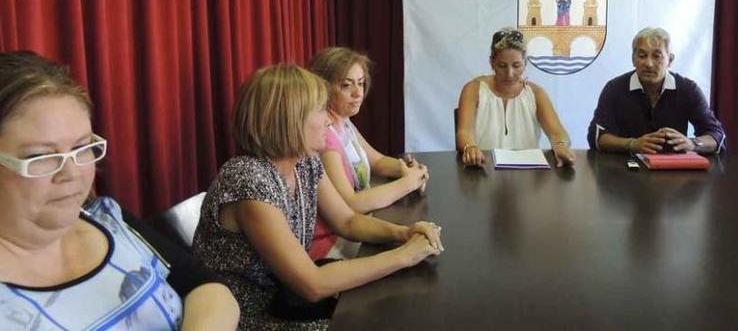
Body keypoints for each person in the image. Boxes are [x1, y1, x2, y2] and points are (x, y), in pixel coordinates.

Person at [192, 63, 443, 330]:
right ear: (289, 119)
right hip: (251, 315)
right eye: (320, 110)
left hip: (286, 300)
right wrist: (404, 256)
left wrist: (403, 234)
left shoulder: (304, 163)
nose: (328, 119)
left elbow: (347, 221)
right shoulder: (249, 181)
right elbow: (313, 284)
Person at [0, 51, 239, 330]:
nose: (71, 173)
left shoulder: (108, 219)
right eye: (40, 157)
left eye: (81, 148)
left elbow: (204, 286)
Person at [308, 47, 429, 260]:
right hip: (334, 244)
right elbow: (351, 203)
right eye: (347, 85)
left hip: (355, 229)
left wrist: (408, 169)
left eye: (361, 82)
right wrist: (407, 183)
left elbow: (378, 160)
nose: (358, 93)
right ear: (323, 88)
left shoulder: (343, 122)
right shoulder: (324, 136)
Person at [587, 27, 725, 154]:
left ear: (670, 60)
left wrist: (693, 143)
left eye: (656, 56)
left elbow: (716, 135)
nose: (648, 64)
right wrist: (632, 144)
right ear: (633, 59)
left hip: (674, 171)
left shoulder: (687, 89)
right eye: (642, 55)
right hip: (626, 169)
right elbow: (597, 136)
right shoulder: (615, 88)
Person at [456, 27, 575, 167]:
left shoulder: (536, 93)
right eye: (502, 66)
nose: (510, 73)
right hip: (484, 167)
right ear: (491, 62)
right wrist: (470, 147)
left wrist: (560, 145)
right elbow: (464, 132)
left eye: (516, 65)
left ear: (525, 63)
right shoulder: (473, 89)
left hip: (528, 174)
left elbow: (558, 132)